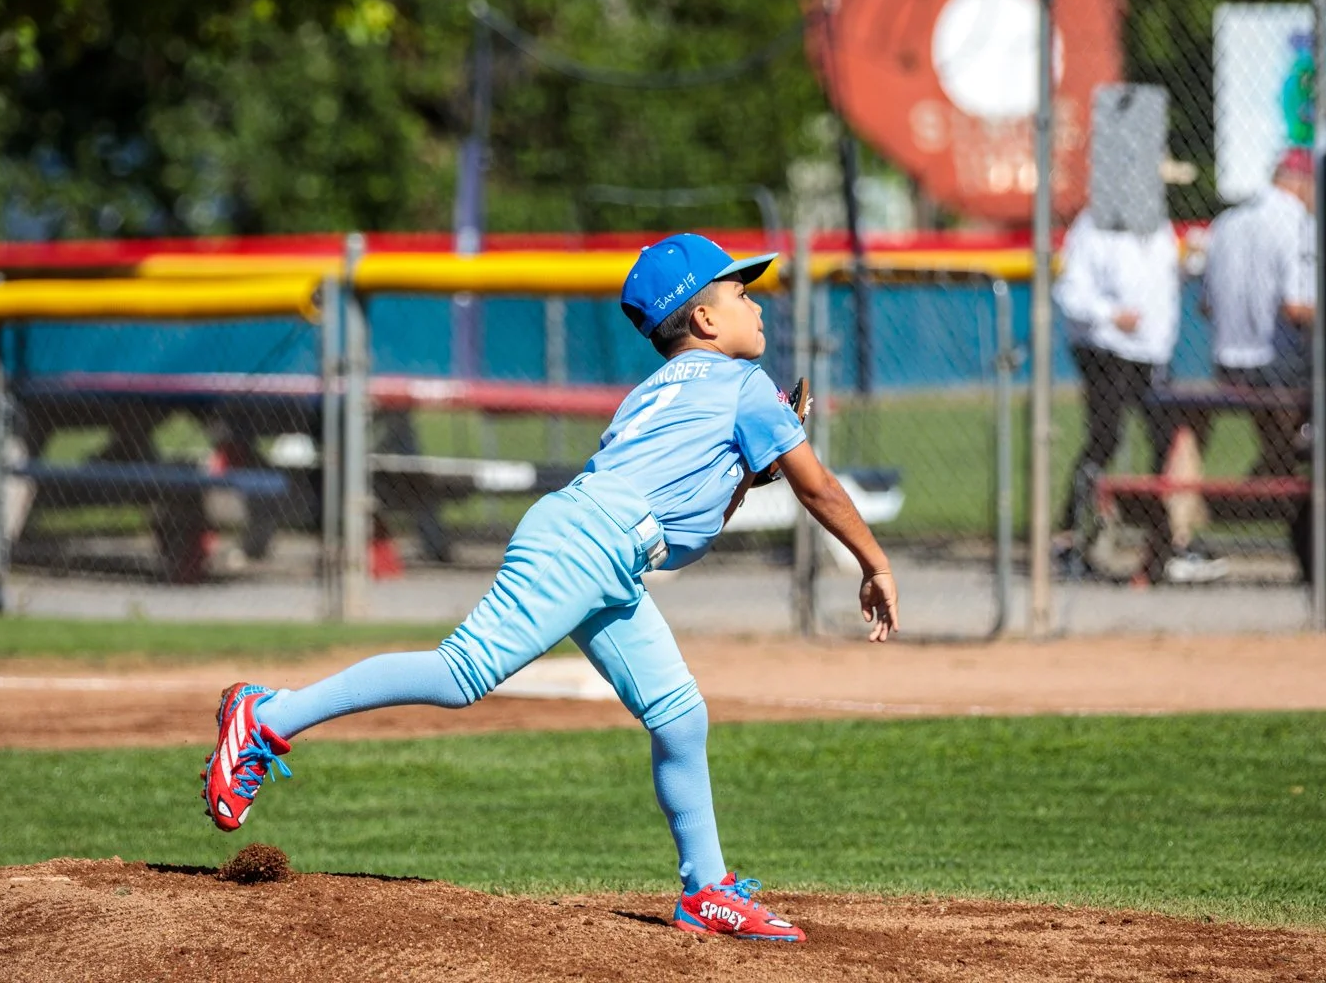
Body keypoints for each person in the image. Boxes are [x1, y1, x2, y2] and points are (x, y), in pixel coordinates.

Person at [200, 233, 900, 943]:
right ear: (707, 321)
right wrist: (874, 562)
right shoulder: (746, 388)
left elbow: (692, 522)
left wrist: (749, 472)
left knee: (679, 715)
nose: (757, 307)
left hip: (601, 548)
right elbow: (820, 489)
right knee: (460, 673)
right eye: (742, 295)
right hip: (591, 543)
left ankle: (706, 891)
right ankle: (269, 716)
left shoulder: (659, 393)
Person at [1052, 208, 1226, 584]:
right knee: (1105, 440)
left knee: (1168, 440)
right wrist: (1111, 314)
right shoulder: (1093, 223)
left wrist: (1191, 263)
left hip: (1151, 353)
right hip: (1106, 350)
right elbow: (1070, 292)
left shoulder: (1158, 224)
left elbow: (1160, 282)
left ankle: (1168, 543)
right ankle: (1069, 537)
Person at [1201, 147, 1316, 478]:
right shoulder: (1297, 223)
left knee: (1281, 436)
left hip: (1227, 363)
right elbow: (1296, 308)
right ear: (1301, 183)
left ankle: (1275, 469)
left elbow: (1206, 306)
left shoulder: (1226, 222)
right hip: (1276, 367)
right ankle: (1296, 452)